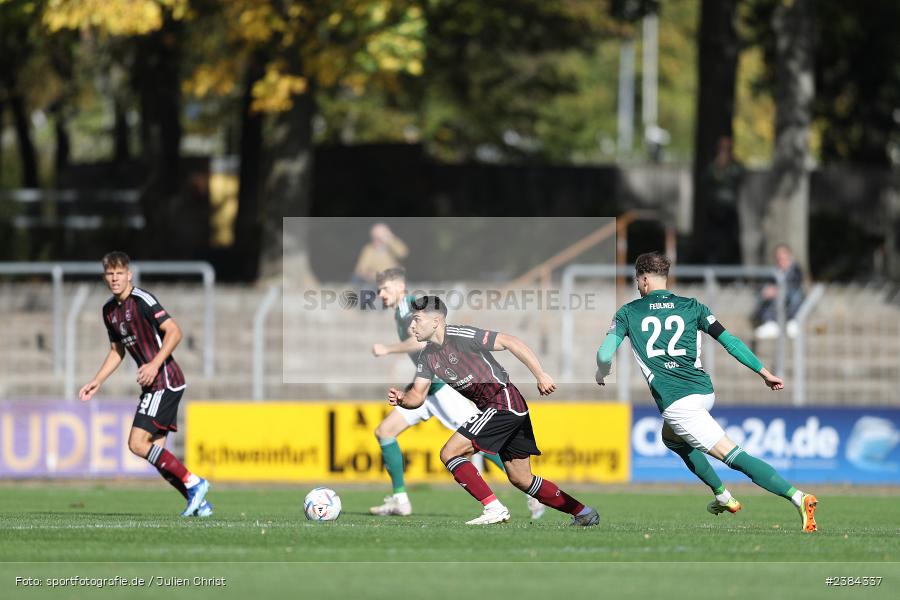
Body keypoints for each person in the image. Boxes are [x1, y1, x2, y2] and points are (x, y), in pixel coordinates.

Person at [595, 252, 817, 532]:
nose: (638, 286)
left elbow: (604, 354)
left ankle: (799, 497)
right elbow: (730, 342)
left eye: (638, 281)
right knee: (672, 439)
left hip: (678, 402)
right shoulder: (692, 306)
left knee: (733, 456)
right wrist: (764, 373)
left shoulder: (628, 312)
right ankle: (722, 495)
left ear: (645, 280)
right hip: (702, 390)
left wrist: (601, 373)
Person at [388, 296, 599, 526]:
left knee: (450, 453)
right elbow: (417, 396)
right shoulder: (427, 356)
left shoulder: (460, 336)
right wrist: (402, 399)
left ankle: (493, 507)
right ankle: (584, 512)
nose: (412, 326)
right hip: (507, 408)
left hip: (502, 402)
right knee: (521, 479)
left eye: (417, 320)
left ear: (436, 321)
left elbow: (510, 341)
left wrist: (540, 374)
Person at [370, 269, 545, 519]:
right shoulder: (400, 314)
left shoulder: (412, 308)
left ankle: (529, 490)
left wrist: (388, 349)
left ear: (400, 285)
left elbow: (421, 343)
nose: (381, 295)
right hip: (423, 389)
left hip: (442, 389)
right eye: (378, 291)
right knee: (384, 432)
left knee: (479, 443)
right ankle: (400, 500)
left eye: (385, 288)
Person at [79, 251, 211, 517]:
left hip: (165, 380)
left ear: (129, 274)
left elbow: (175, 331)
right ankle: (200, 504)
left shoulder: (143, 300)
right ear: (105, 277)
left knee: (137, 444)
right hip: (155, 385)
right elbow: (118, 351)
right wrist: (97, 380)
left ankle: (195, 483)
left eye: (120, 273)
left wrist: (153, 364)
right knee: (158, 457)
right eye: (110, 273)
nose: (115, 278)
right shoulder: (109, 311)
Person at [702, 136, 744, 265]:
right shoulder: (713, 166)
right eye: (721, 148)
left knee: (732, 241)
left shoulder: (735, 166)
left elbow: (739, 177)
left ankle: (734, 272)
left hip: (730, 209)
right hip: (714, 210)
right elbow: (705, 180)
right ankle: (713, 269)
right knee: (713, 242)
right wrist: (717, 166)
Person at [752, 244, 805, 339]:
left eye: (783, 257)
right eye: (778, 258)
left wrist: (778, 290)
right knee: (765, 295)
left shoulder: (796, 269)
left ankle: (792, 322)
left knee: (795, 296)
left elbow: (796, 285)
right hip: (775, 300)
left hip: (790, 298)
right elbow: (765, 285)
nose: (781, 260)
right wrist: (767, 290)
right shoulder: (774, 271)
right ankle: (770, 323)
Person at [352, 223, 409, 289]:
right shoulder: (369, 249)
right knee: (358, 279)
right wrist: (369, 274)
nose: (377, 239)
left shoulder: (392, 248)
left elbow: (403, 253)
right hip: (374, 280)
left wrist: (390, 240)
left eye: (380, 236)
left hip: (392, 279)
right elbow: (361, 267)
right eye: (375, 236)